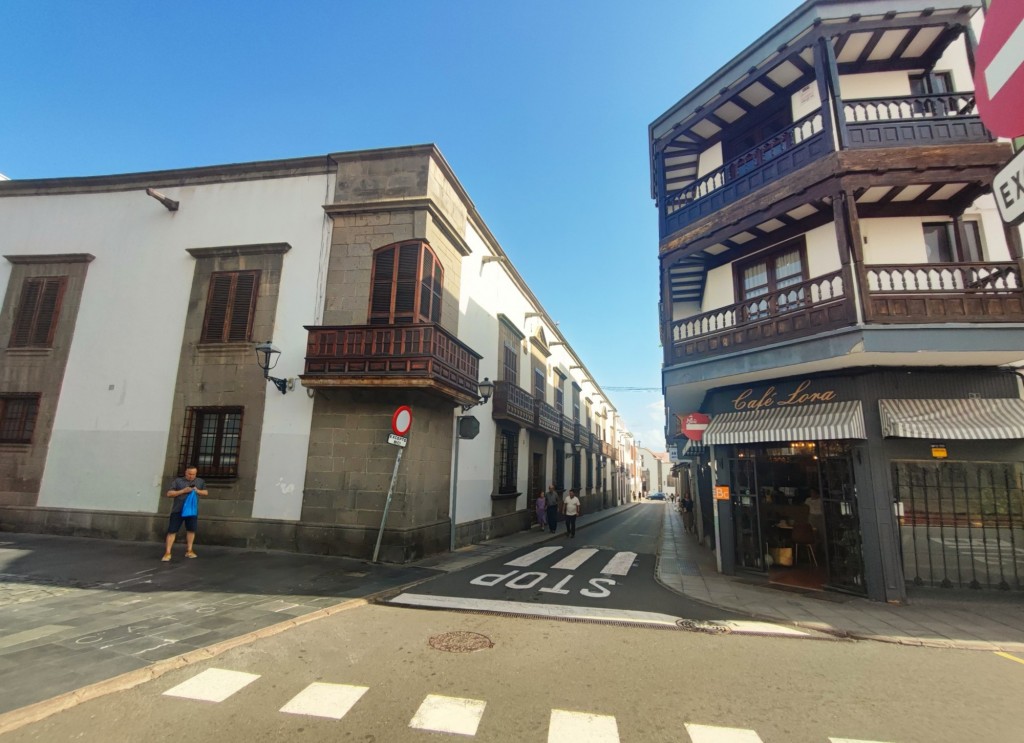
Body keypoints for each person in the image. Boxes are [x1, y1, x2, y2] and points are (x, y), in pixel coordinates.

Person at [162, 465, 207, 561]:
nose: (191, 476)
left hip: (191, 510)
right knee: (172, 531)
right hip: (178, 510)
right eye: (190, 474)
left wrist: (197, 490)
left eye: (194, 474)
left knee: (191, 530)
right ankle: (168, 552)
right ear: (185, 473)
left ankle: (189, 550)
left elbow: (205, 492)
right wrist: (183, 491)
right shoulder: (178, 481)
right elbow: (169, 493)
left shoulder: (200, 481)